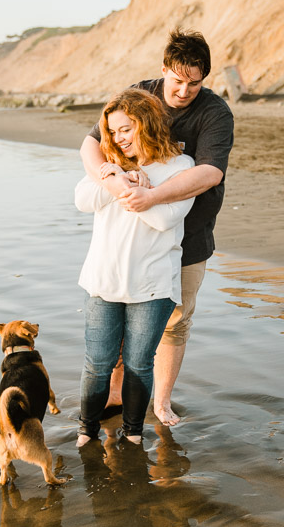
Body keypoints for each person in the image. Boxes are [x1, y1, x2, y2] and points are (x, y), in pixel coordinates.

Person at [80, 29, 234, 425]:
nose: (184, 91)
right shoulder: (141, 96)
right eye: (177, 80)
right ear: (163, 69)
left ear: (205, 78)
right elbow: (92, 143)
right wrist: (112, 179)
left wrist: (151, 196)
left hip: (190, 233)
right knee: (120, 311)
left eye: (194, 83)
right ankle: (115, 392)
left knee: (175, 321)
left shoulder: (215, 114)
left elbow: (210, 173)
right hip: (132, 238)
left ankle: (161, 401)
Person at [75, 89, 195, 446]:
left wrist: (146, 185)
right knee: (98, 363)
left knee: (140, 364)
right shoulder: (108, 163)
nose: (118, 138)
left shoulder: (180, 166)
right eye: (112, 132)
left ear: (146, 122)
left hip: (152, 285)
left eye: (126, 129)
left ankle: (133, 434)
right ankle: (86, 430)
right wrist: (117, 176)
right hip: (103, 280)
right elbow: (82, 200)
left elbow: (164, 218)